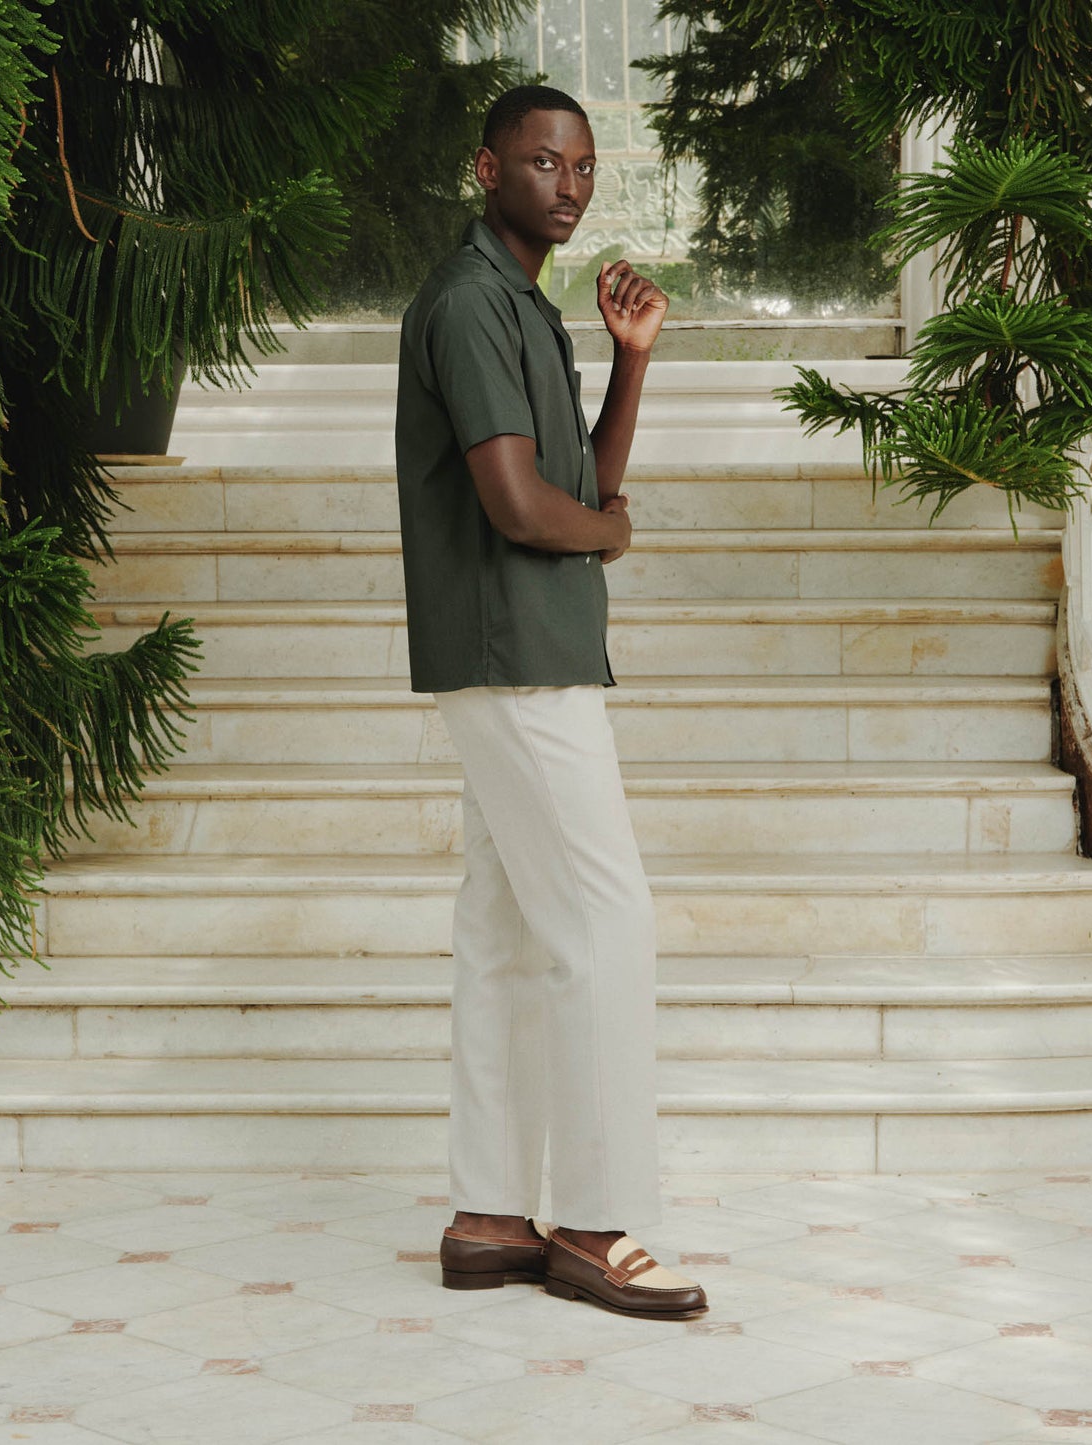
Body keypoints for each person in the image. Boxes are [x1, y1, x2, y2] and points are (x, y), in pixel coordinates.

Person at [393, 84, 707, 1321]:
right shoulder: (470, 303)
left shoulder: (522, 304)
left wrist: (630, 359)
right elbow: (526, 510)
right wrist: (611, 537)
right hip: (515, 654)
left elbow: (582, 476)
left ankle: (486, 1215)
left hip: (522, 649)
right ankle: (591, 1220)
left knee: (508, 930)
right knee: (605, 920)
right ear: (486, 169)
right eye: (540, 161)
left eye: (580, 167)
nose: (565, 185)